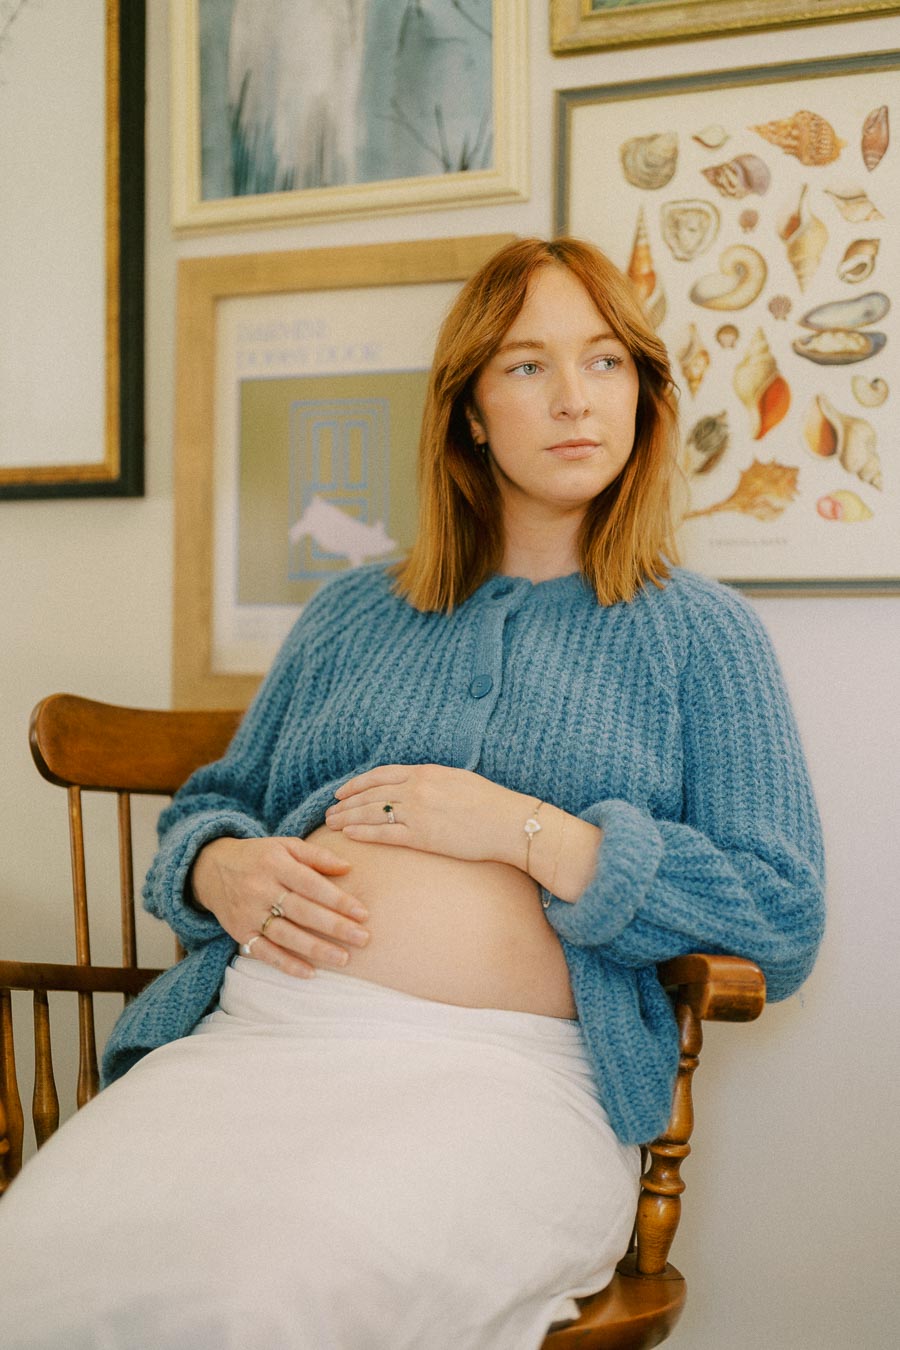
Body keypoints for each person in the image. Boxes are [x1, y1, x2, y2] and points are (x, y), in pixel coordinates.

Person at [0, 237, 825, 1350]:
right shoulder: (351, 616)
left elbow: (779, 918)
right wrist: (220, 865)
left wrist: (527, 832)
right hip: (257, 1040)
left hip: (505, 1078)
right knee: (32, 1264)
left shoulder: (701, 638)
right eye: (528, 367)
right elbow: (210, 807)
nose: (576, 399)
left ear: (644, 390)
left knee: (269, 1299)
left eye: (606, 363)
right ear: (471, 413)